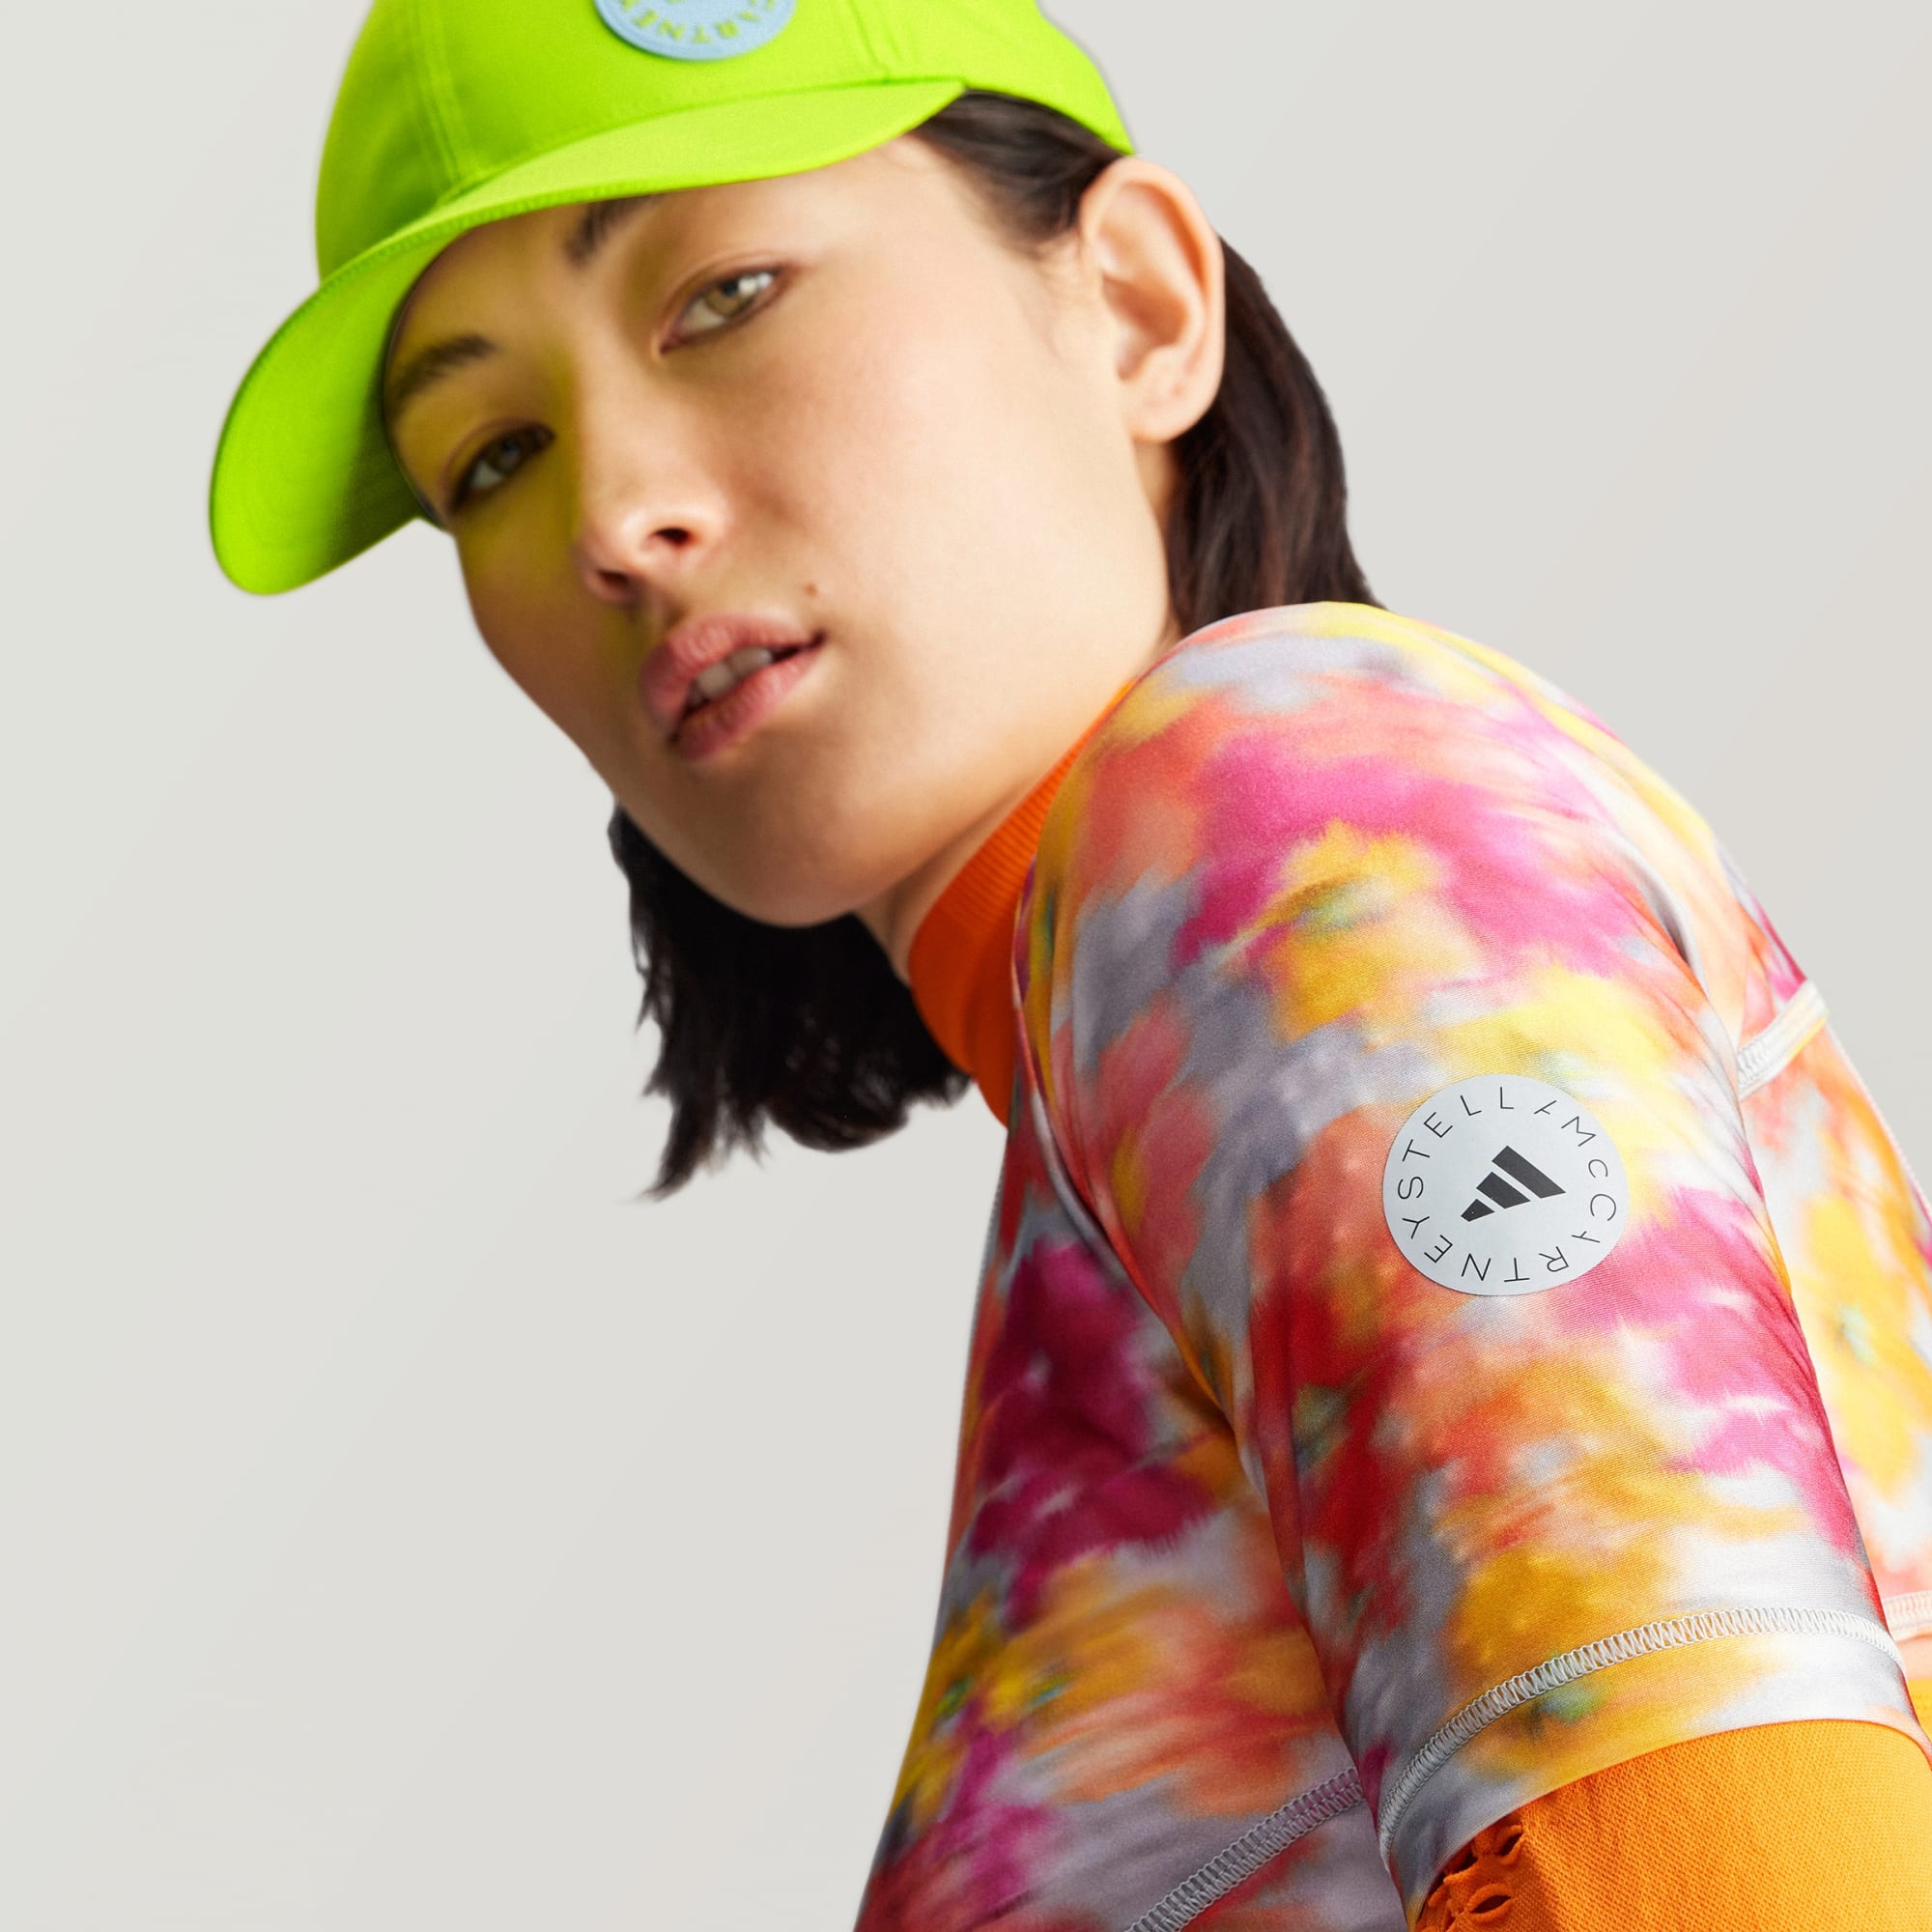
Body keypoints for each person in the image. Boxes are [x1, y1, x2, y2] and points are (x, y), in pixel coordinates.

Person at [207, 2, 1932, 1923]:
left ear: (1135, 303)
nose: (614, 519)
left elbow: (1745, 1861)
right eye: (492, 455)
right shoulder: (1130, 1088)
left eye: (725, 298)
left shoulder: (1284, 812)